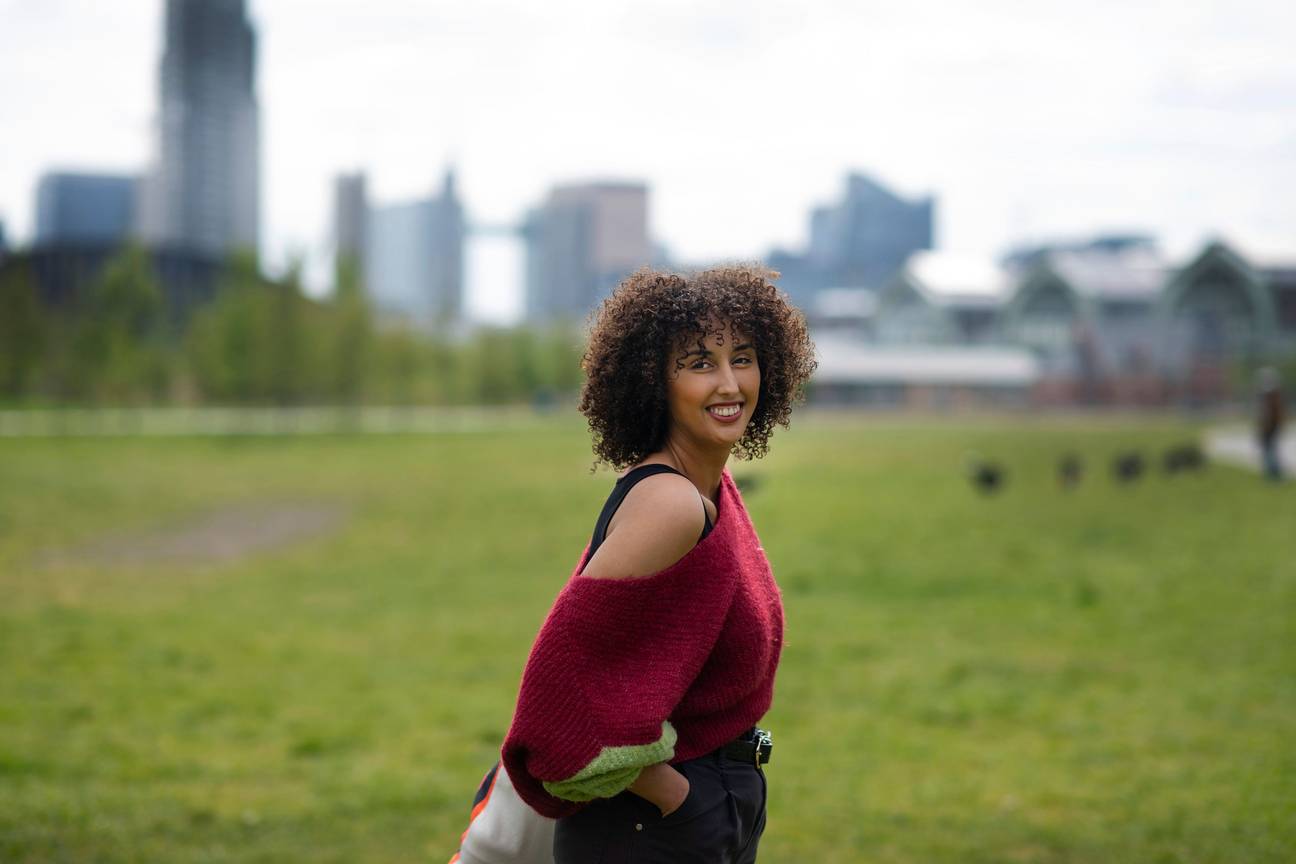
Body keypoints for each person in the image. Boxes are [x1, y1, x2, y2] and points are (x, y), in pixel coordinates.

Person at [458, 265, 815, 864]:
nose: (729, 383)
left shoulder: (708, 486)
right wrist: (681, 800)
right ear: (654, 381)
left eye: (743, 357)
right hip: (653, 827)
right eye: (700, 363)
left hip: (697, 809)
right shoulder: (671, 503)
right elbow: (563, 696)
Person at [1257, 367, 1285, 481]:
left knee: (1271, 450)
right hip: (1271, 427)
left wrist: (1266, 427)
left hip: (1271, 427)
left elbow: (1268, 415)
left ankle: (1274, 473)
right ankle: (1272, 472)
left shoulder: (1272, 398)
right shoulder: (1273, 397)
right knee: (1270, 450)